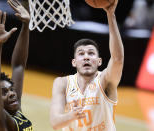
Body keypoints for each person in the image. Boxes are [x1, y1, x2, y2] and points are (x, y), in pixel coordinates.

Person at [50, 0, 124, 130]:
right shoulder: (62, 83)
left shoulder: (105, 81)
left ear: (99, 61)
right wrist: (71, 116)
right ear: (74, 62)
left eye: (91, 53)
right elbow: (55, 123)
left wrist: (111, 16)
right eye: (81, 53)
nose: (86, 57)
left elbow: (117, 59)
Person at [0, 0, 33, 130]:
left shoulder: (15, 109)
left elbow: (19, 65)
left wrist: (26, 25)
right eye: (4, 92)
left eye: (10, 89)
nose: (12, 94)